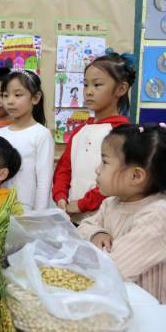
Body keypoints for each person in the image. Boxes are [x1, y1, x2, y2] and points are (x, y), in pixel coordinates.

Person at [78, 124, 166, 311]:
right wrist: (96, 233)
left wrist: (86, 245)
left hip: (154, 315)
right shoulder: (112, 203)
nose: (98, 169)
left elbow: (113, 268)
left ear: (136, 176)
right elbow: (84, 226)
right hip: (120, 302)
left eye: (105, 162)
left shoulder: (158, 214)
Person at [53, 53, 133, 222]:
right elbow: (64, 169)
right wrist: (60, 197)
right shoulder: (80, 130)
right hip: (72, 217)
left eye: (97, 85)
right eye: (85, 84)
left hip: (104, 222)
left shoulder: (122, 132)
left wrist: (83, 204)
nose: (89, 92)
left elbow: (116, 179)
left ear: (121, 89)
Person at [0, 69, 54, 211]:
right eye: (5, 95)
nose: (10, 101)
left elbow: (44, 181)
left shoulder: (41, 134)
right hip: (0, 209)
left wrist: (38, 218)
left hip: (28, 212)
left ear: (35, 98)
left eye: (17, 95)